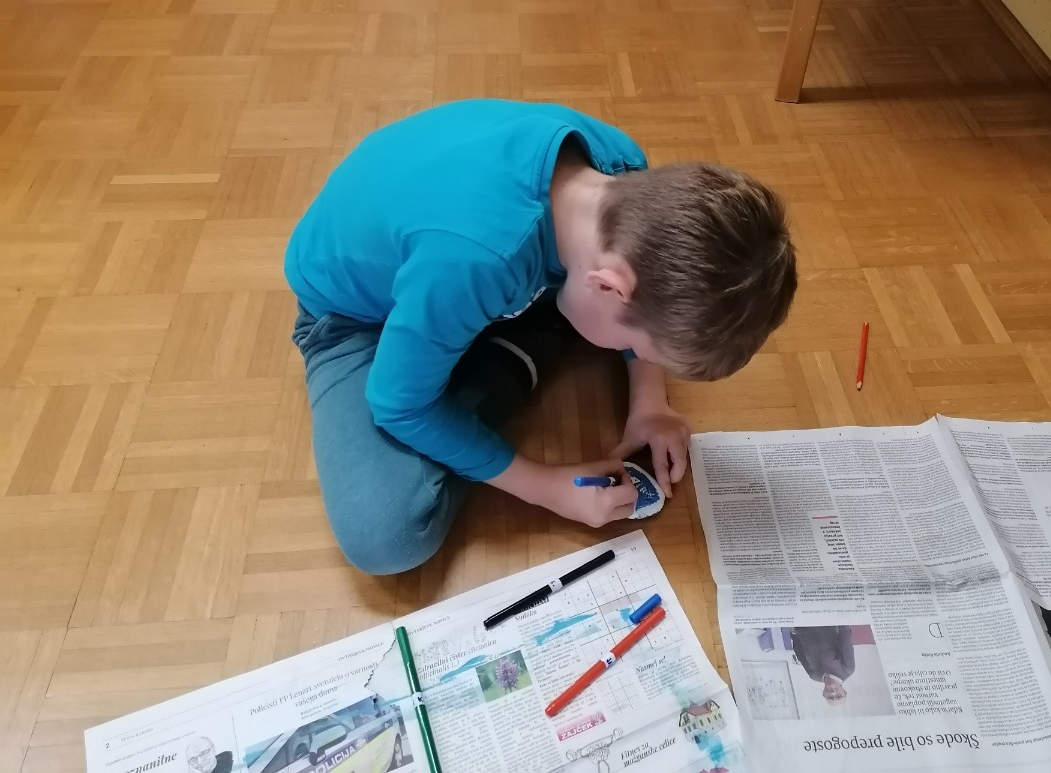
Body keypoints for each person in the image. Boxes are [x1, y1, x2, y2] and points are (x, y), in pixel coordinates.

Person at [285, 100, 797, 575]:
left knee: (545, 304)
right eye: (644, 351)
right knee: (387, 536)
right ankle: (512, 357)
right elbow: (398, 405)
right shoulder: (475, 261)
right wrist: (545, 487)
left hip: (459, 266)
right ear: (608, 285)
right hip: (353, 316)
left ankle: (516, 336)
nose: (641, 359)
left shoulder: (624, 172)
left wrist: (650, 400)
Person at [789, 626, 855, 704]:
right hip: (822, 623)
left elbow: (799, 651)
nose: (833, 693)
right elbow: (845, 634)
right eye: (839, 696)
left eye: (830, 697)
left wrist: (793, 631)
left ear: (824, 694)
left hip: (800, 627)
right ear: (844, 691)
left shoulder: (813, 675)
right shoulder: (848, 669)